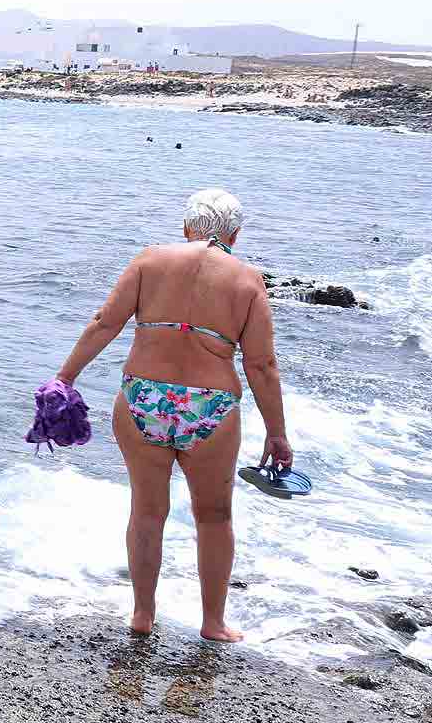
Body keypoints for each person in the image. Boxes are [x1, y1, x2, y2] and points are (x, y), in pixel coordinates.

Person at [54, 188, 291, 643]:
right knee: (215, 516)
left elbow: (106, 321)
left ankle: (143, 615)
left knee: (147, 511)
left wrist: (64, 379)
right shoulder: (247, 281)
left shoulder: (149, 261)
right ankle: (213, 623)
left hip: (144, 395)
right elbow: (261, 365)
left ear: (186, 228)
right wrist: (277, 434)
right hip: (212, 405)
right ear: (234, 236)